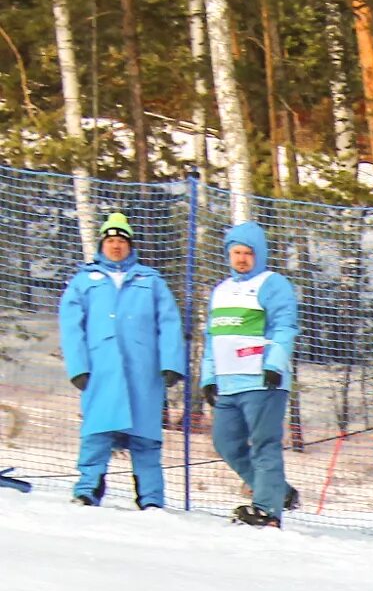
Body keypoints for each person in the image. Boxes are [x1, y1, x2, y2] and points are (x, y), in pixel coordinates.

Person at [58, 212, 186, 509]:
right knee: (97, 432)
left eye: (121, 241)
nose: (116, 246)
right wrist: (78, 367)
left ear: (130, 246)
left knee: (146, 437)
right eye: (111, 241)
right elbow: (71, 327)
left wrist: (171, 363)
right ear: (102, 244)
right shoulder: (83, 281)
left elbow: (169, 323)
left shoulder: (151, 281)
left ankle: (151, 498)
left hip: (143, 372)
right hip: (101, 371)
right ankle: (88, 487)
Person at [200, 220, 300, 528]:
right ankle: (278, 491)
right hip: (229, 382)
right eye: (236, 252)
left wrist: (275, 364)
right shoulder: (221, 291)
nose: (241, 259)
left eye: (248, 253)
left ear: (260, 254)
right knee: (225, 442)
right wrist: (208, 377)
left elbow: (285, 326)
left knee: (264, 443)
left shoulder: (273, 284)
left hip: (262, 381)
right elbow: (211, 337)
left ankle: (267, 510)